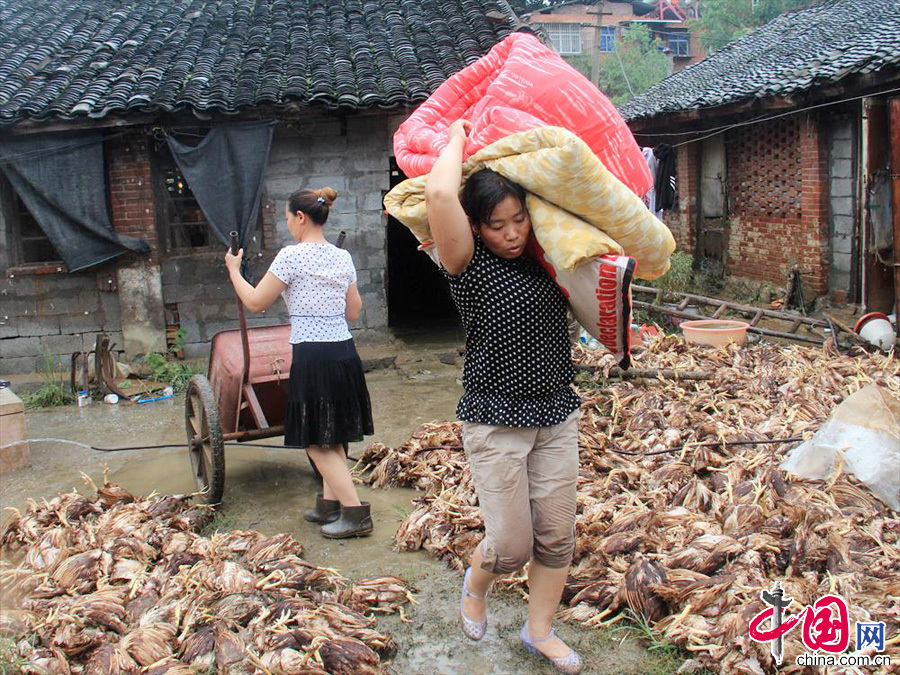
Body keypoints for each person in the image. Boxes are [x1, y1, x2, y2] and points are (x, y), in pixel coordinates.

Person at [424, 120, 583, 674]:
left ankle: (538, 631)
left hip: (557, 414)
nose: (512, 233)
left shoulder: (547, 256)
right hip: (495, 419)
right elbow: (441, 192)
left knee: (558, 536)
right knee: (512, 545)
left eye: (519, 219)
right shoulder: (467, 265)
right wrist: (461, 135)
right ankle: (476, 584)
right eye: (498, 225)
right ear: (476, 227)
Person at [224, 187, 374, 539]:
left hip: (313, 353)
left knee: (313, 439)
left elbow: (256, 303)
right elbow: (354, 311)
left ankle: (355, 513)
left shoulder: (291, 257)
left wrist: (234, 271)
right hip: (344, 353)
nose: (288, 224)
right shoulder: (342, 257)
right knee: (331, 431)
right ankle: (329, 505)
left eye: (288, 218)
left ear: (301, 217)